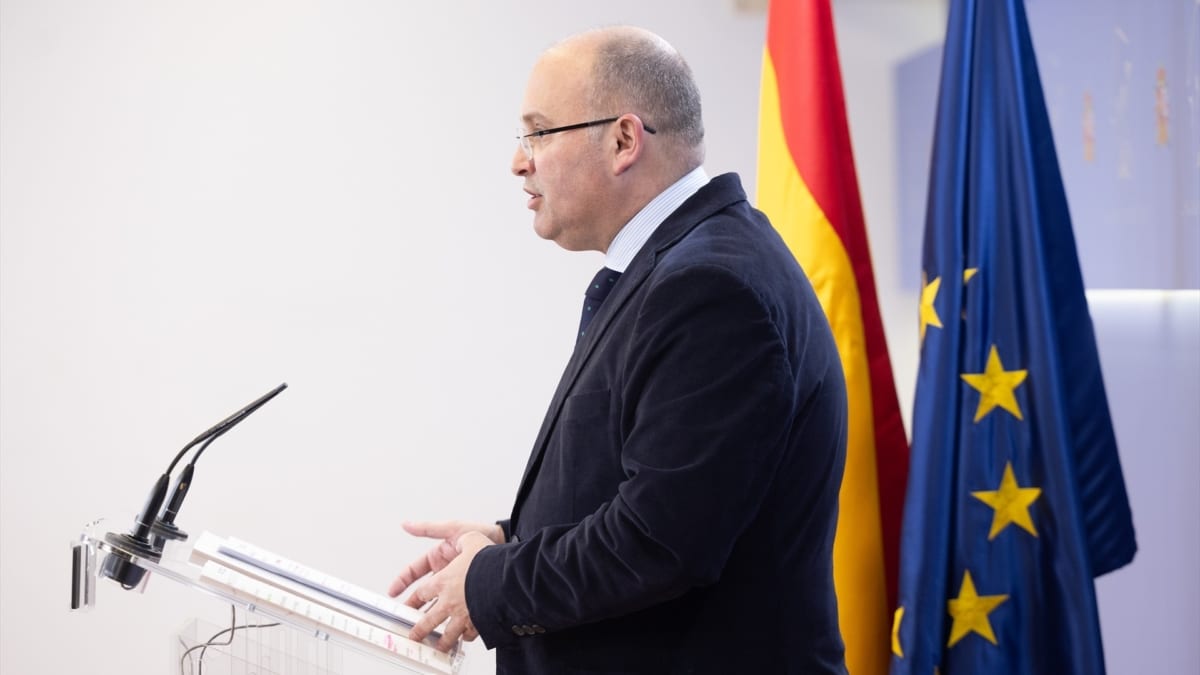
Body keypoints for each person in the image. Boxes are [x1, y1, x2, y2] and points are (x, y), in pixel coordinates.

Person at [388, 25, 848, 674]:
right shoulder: (683, 270)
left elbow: (660, 540)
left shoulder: (712, 288)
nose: (519, 161)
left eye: (539, 132)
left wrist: (490, 583)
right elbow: (645, 488)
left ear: (624, 140)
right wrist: (505, 544)